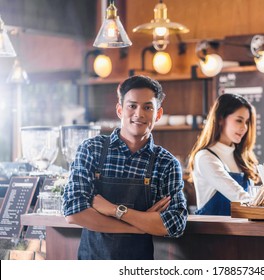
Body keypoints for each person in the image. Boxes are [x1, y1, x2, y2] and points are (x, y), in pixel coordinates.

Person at [62, 75, 188, 260]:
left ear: (158, 114)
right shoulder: (91, 149)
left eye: (147, 107)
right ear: (120, 110)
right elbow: (74, 211)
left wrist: (114, 210)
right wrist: (139, 226)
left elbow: (174, 224)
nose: (139, 114)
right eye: (132, 106)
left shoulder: (166, 163)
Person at [188, 93, 260, 216]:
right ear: (221, 119)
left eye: (247, 122)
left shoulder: (242, 158)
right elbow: (238, 195)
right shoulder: (205, 157)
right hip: (215, 233)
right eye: (239, 120)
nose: (244, 127)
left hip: (245, 230)